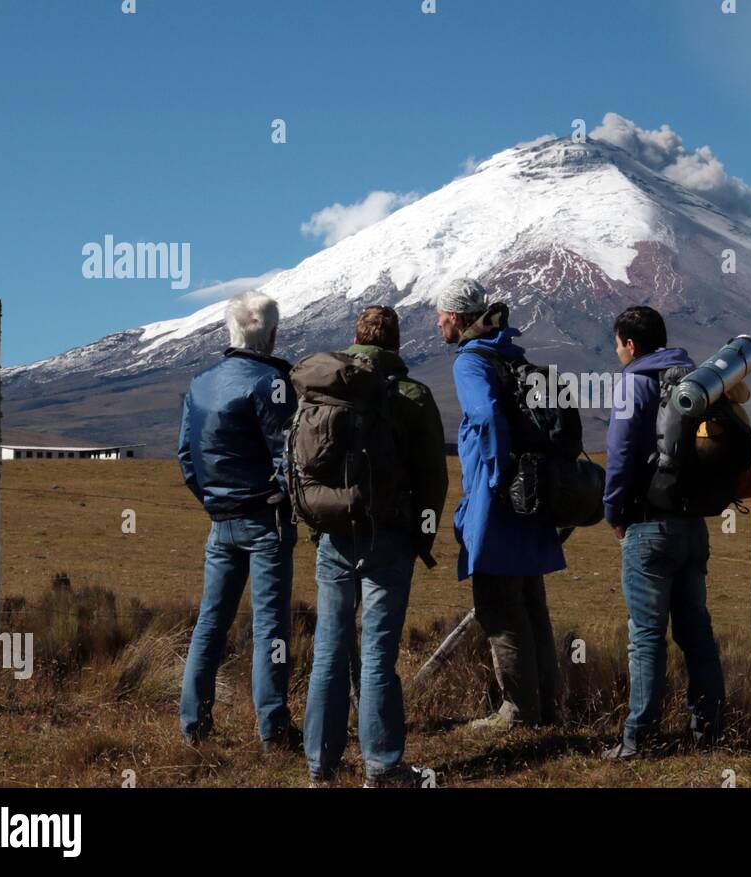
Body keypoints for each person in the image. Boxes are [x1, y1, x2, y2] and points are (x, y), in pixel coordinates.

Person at [303, 305, 448, 787]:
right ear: (398, 343)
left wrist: (317, 527)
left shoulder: (329, 386)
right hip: (387, 537)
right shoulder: (412, 394)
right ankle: (383, 768)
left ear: (356, 337)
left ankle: (320, 769)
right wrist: (420, 538)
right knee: (378, 653)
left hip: (334, 536)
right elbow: (433, 475)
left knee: (329, 650)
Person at [436, 278, 565, 730]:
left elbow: (487, 416)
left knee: (499, 605)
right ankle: (547, 707)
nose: (437, 323)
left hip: (499, 498)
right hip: (532, 496)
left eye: (441, 316)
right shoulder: (510, 353)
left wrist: (494, 477)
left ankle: (518, 712)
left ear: (455, 317)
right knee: (531, 605)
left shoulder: (471, 361)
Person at [177, 291, 300, 752]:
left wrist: (212, 500)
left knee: (211, 622)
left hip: (220, 521)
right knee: (270, 629)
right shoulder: (272, 383)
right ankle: (273, 731)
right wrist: (287, 502)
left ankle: (194, 727)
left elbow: (186, 457)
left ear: (230, 331)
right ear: (271, 334)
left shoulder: (200, 383)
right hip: (265, 520)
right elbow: (288, 456)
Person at [602, 305, 726, 759]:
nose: (616, 352)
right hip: (693, 525)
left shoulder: (633, 382)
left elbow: (618, 454)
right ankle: (709, 732)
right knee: (696, 631)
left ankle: (639, 740)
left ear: (630, 345)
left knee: (647, 636)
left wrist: (613, 512)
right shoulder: (697, 381)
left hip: (648, 526)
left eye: (617, 344)